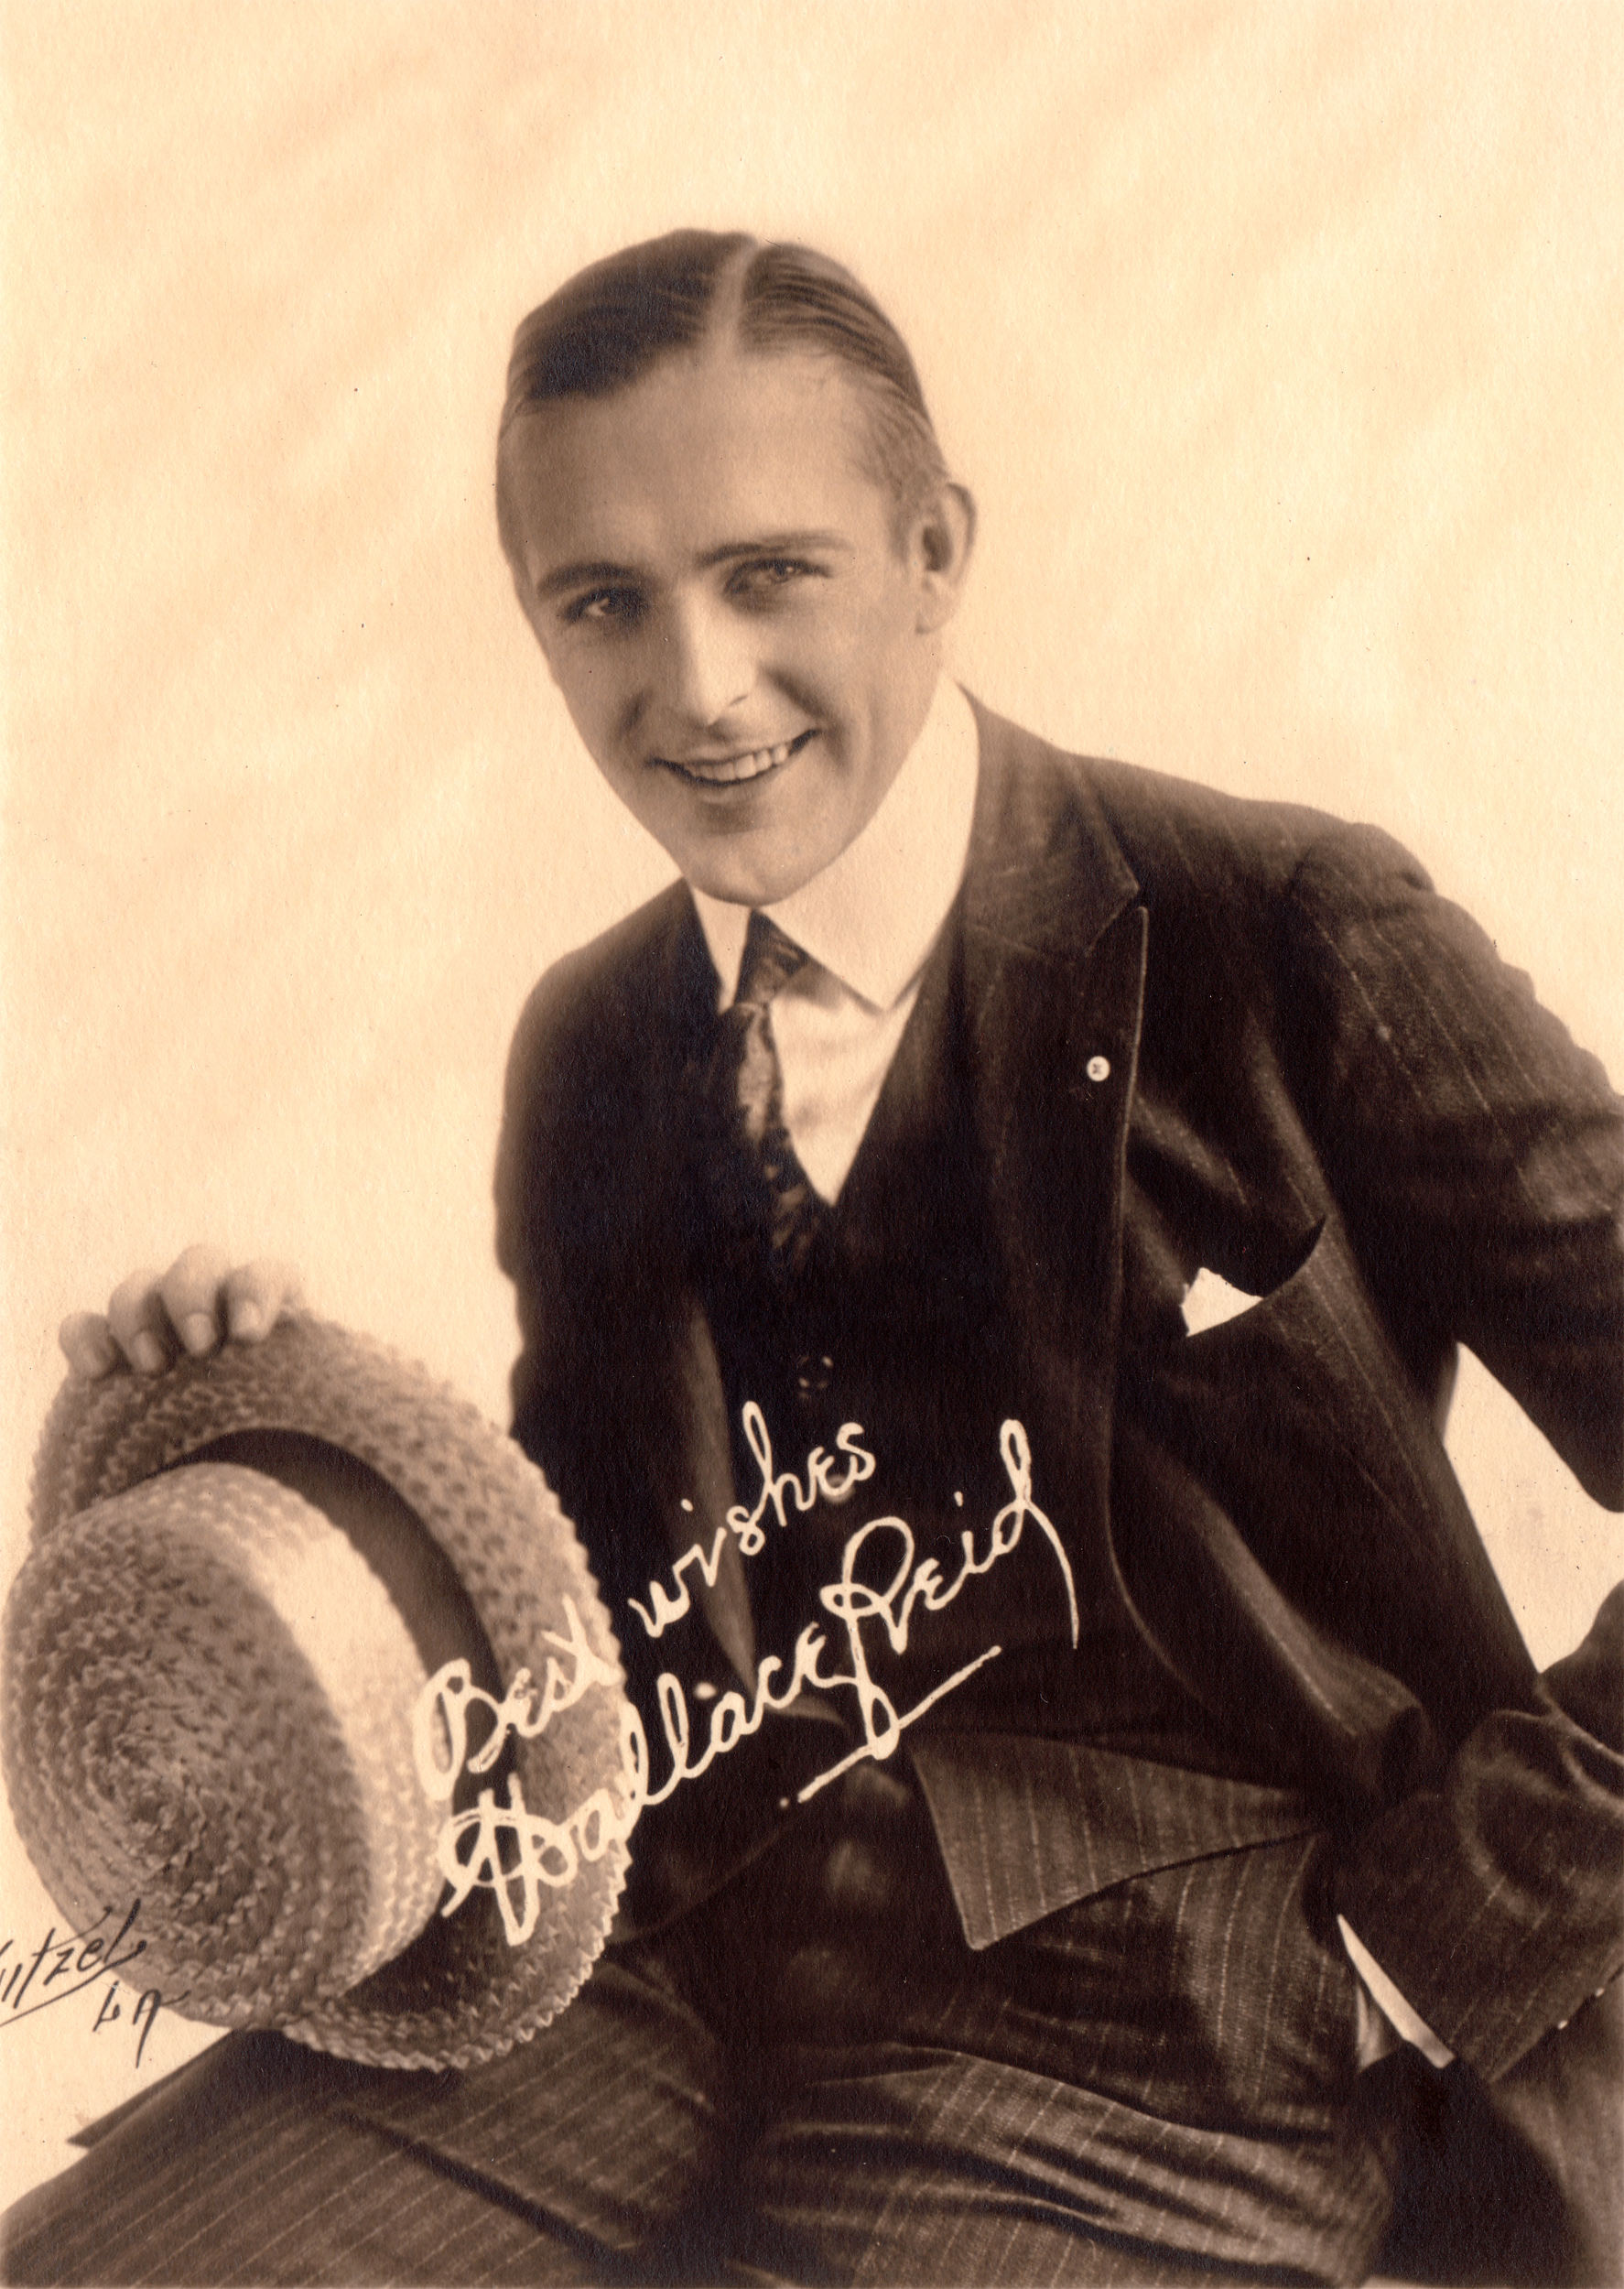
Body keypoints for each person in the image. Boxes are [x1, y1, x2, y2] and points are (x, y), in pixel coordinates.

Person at [16, 231, 1624, 2285]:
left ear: (933, 550)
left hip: (1175, 2031)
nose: (695, 687)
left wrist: (1415, 1950)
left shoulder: (1279, 923)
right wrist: (278, 1448)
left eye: (768, 573)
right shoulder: (592, 1040)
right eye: (603, 601)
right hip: (634, 1959)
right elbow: (598, 1624)